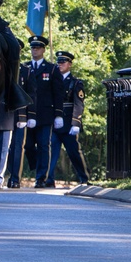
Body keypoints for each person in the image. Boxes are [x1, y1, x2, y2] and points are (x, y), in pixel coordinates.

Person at [7, 35, 64, 188]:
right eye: (33, 47)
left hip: (45, 114)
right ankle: (33, 168)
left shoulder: (51, 69)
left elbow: (58, 93)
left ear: (44, 49)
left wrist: (59, 114)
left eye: (38, 47)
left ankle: (41, 177)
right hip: (27, 115)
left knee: (44, 145)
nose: (35, 50)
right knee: (28, 146)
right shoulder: (25, 68)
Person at [46, 50, 91, 186]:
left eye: (63, 62)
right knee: (51, 153)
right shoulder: (52, 80)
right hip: (54, 121)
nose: (60, 64)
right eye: (58, 62)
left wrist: (76, 122)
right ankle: (49, 179)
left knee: (74, 153)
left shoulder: (75, 83)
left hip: (68, 123)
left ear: (70, 64)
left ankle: (84, 177)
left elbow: (78, 104)